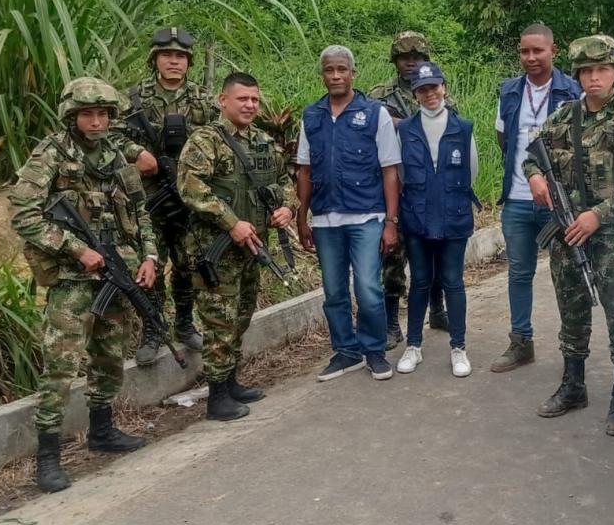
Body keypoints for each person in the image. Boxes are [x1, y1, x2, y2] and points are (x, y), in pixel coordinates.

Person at [9, 77, 158, 493]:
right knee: (61, 366)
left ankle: (102, 430)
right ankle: (48, 456)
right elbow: (23, 214)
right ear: (72, 117)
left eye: (103, 115)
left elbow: (141, 211)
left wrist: (150, 256)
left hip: (115, 271)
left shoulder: (115, 154)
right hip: (73, 278)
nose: (96, 122)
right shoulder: (52, 153)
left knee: (110, 355)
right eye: (88, 115)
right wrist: (75, 249)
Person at [524, 35, 614, 437]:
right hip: (568, 233)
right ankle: (573, 385)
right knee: (571, 310)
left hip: (613, 237)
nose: (594, 78)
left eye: (602, 70)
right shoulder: (565, 116)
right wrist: (534, 177)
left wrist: (598, 216)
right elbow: (533, 155)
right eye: (586, 71)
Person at [176, 72, 293, 422]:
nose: (250, 105)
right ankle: (216, 396)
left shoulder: (263, 142)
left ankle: (230, 382)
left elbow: (284, 181)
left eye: (255, 99)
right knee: (219, 323)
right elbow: (191, 188)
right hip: (217, 250)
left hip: (252, 247)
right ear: (223, 100)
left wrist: (287, 207)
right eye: (243, 99)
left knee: (241, 317)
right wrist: (231, 222)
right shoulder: (205, 141)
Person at [295, 45, 401, 381]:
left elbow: (390, 170)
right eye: (330, 70)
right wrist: (302, 217)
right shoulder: (311, 116)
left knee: (369, 288)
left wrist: (391, 222)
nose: (336, 76)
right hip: (325, 219)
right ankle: (346, 351)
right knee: (334, 291)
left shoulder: (374, 113)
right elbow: (304, 171)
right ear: (322, 74)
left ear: (353, 73)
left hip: (367, 217)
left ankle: (374, 350)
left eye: (342, 69)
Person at [113, 27, 217, 366]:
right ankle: (153, 328)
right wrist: (136, 152)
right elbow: (108, 135)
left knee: (188, 261)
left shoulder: (203, 99)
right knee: (151, 261)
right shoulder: (133, 99)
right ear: (154, 59)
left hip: (189, 193)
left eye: (181, 57)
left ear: (189, 62)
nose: (174, 62)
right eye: (167, 56)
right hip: (148, 197)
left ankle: (185, 323)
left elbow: (221, 136)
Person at [490, 23, 581, 374]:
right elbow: (504, 138)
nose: (531, 58)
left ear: (552, 52)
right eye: (525, 51)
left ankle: (572, 349)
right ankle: (521, 342)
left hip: (557, 203)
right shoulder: (510, 91)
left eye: (538, 51)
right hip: (515, 199)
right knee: (519, 273)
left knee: (567, 275)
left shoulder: (571, 92)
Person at [393, 61, 478, 377]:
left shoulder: (463, 127)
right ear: (415, 94)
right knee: (420, 281)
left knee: (453, 282)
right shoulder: (405, 130)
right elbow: (399, 173)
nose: (430, 94)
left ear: (444, 88)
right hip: (416, 217)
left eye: (434, 87)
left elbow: (472, 172)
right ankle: (413, 346)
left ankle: (459, 348)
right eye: (422, 89)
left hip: (453, 217)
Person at [368, 31, 450, 349]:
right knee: (393, 255)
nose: (411, 62)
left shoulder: (437, 90)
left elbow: (450, 126)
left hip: (431, 185)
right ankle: (391, 323)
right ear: (395, 60)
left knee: (436, 249)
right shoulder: (379, 95)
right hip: (393, 186)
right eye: (405, 57)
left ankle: (437, 309)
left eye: (417, 57)